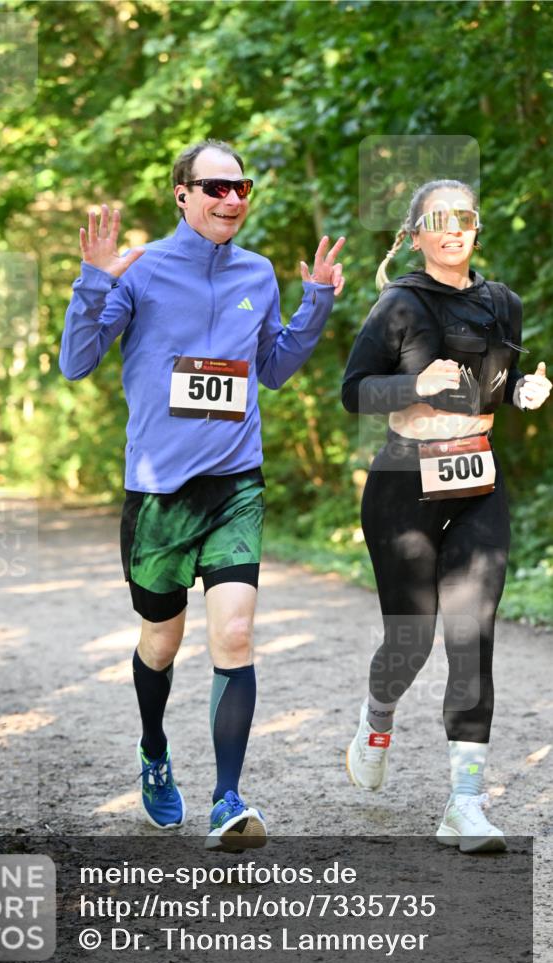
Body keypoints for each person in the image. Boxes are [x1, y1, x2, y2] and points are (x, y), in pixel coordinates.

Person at [60, 139, 345, 850]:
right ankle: (154, 752)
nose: (231, 200)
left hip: (234, 484)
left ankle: (227, 798)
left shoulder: (256, 271)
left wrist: (315, 303)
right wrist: (93, 281)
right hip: (157, 491)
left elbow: (274, 368)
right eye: (215, 188)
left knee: (237, 635)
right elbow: (76, 361)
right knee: (160, 642)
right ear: (181, 194)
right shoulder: (142, 270)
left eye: (240, 188)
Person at [342, 178, 550, 852]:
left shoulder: (503, 305)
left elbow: (492, 380)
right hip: (403, 483)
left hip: (476, 481)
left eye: (464, 216)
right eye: (439, 218)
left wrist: (522, 390)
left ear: (475, 228)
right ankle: (377, 719)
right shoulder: (398, 306)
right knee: (411, 639)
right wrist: (413, 384)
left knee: (471, 634)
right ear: (417, 233)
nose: (453, 228)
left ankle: (463, 803)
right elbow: (355, 392)